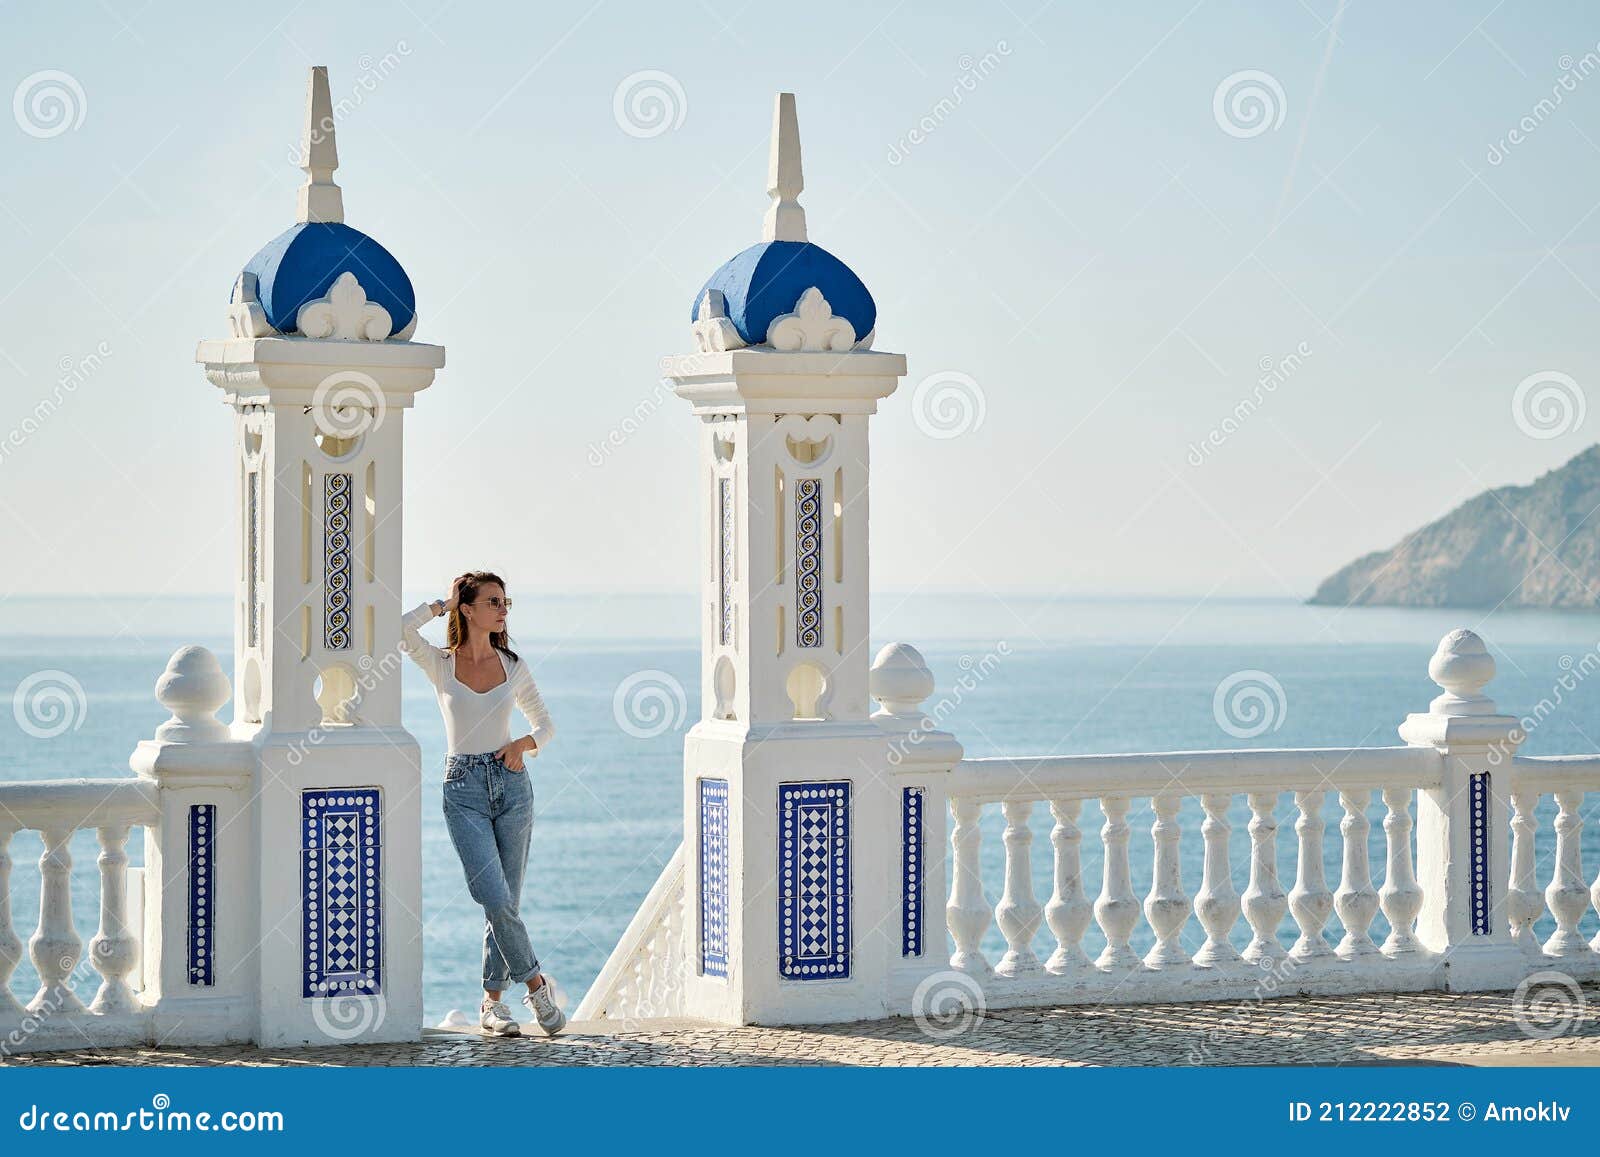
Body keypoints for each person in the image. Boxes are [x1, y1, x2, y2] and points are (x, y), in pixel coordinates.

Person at [400, 571, 565, 1037]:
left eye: (505, 601)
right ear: (468, 609)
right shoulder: (440, 664)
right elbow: (397, 631)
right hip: (463, 789)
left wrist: (523, 745)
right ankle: (536, 986)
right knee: (493, 897)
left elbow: (546, 725)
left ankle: (492, 1006)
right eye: (493, 601)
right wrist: (441, 605)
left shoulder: (513, 665)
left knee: (504, 903)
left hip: (512, 786)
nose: (503, 609)